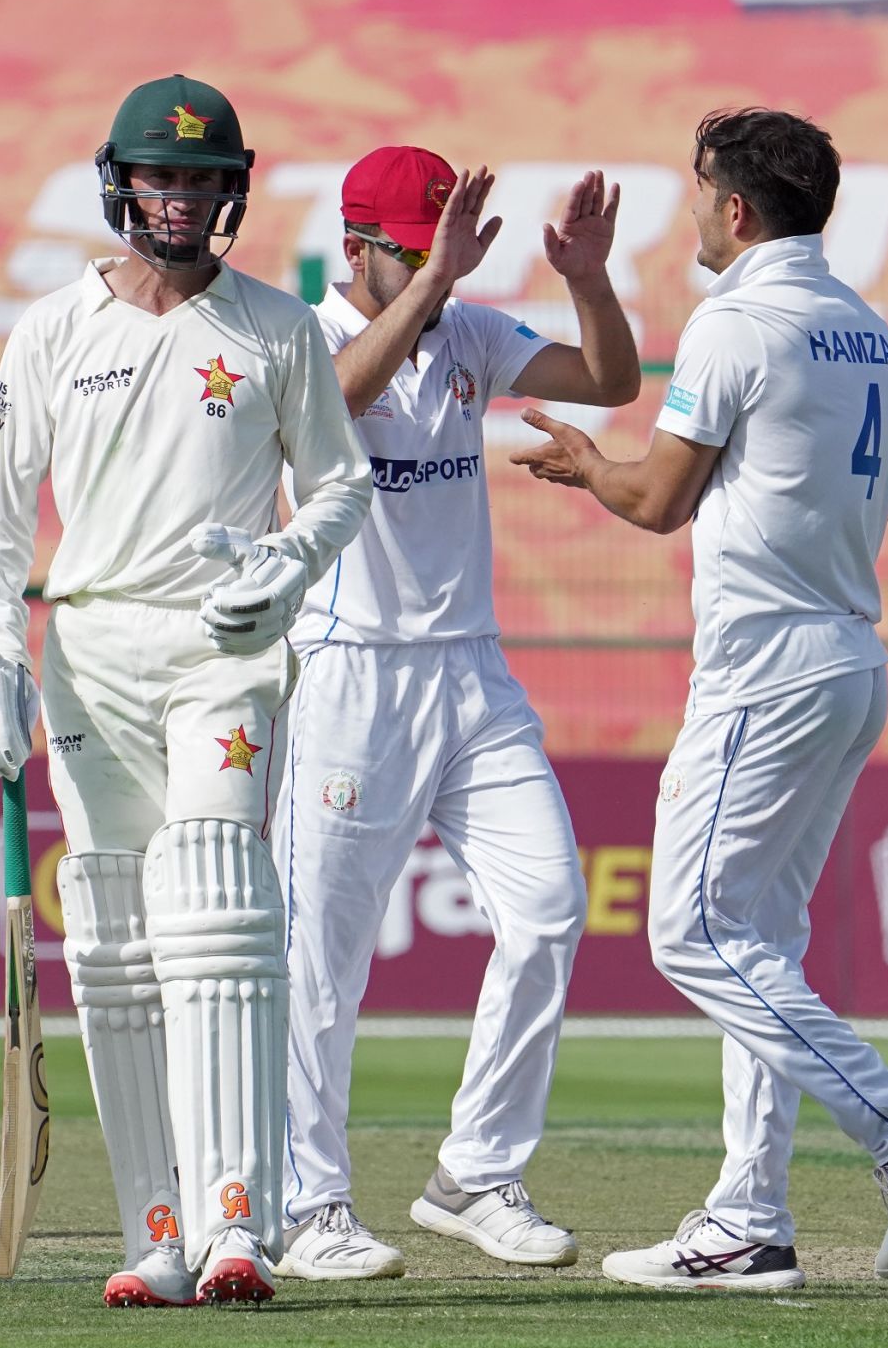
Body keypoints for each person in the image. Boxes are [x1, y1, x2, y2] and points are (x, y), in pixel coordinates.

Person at [511, 107, 888, 1290]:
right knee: (759, 939)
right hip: (846, 659)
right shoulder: (867, 330)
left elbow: (662, 499)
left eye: (697, 197)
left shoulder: (736, 323)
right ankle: (745, 1221)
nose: (689, 219)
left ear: (735, 210)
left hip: (765, 670)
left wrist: (583, 466)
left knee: (693, 932)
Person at [0, 74, 371, 1307]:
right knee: (123, 945)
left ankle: (242, 1219)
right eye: (159, 176)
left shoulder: (278, 329)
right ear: (120, 182)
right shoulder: (52, 329)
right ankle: (161, 1232)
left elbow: (337, 489)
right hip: (91, 654)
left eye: (199, 179)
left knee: (221, 909)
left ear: (230, 190)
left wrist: (289, 564)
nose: (178, 199)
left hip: (222, 644)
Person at [272, 146, 641, 1279]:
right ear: (359, 250)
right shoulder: (304, 338)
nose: (440, 260)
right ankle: (305, 1206)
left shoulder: (470, 333)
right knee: (323, 960)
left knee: (549, 908)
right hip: (348, 672)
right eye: (415, 245)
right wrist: (438, 283)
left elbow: (613, 383)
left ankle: (476, 1171)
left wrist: (584, 276)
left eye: (450, 239)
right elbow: (327, 413)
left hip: (472, 673)